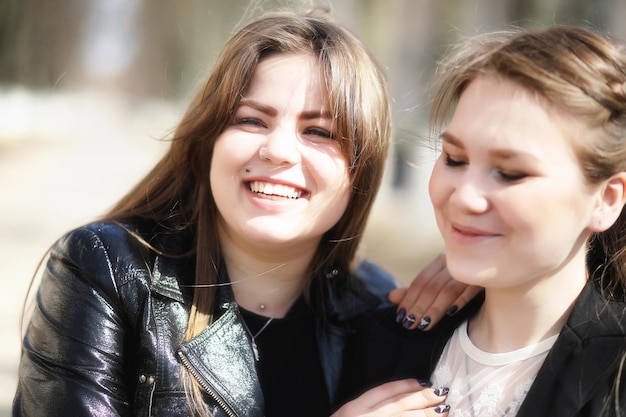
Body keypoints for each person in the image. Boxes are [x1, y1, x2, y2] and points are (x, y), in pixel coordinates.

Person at [12, 8, 475, 417]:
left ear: (361, 169)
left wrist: (489, 280)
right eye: (252, 120)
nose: (276, 151)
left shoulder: (379, 308)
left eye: (319, 131)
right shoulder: (107, 269)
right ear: (208, 140)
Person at [341, 25, 626, 417]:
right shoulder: (376, 339)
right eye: (455, 160)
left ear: (606, 199)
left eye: (510, 173)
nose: (464, 197)